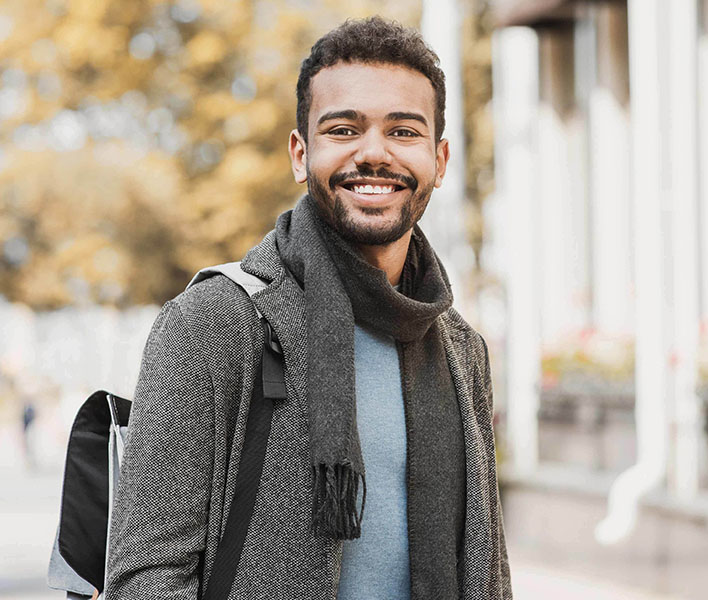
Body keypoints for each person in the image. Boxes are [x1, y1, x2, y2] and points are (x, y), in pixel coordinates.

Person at [103, 16, 512, 600]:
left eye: (403, 132)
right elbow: (147, 576)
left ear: (440, 160)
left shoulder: (458, 347)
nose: (374, 154)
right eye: (344, 130)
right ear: (301, 154)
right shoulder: (216, 321)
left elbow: (488, 570)